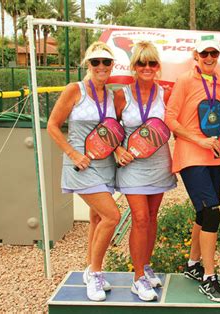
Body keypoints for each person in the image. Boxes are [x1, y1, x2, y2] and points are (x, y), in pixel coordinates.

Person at [47, 42, 121, 302]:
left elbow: (115, 130)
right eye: (96, 62)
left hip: (105, 165)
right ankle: (97, 272)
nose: (101, 67)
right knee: (112, 216)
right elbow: (53, 126)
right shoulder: (74, 90)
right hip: (81, 164)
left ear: (112, 66)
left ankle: (90, 268)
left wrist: (119, 149)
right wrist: (73, 153)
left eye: (106, 62)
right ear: (87, 65)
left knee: (98, 219)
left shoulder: (112, 95)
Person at [164, 35, 220, 303]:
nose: (209, 58)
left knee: (204, 213)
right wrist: (198, 140)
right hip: (191, 154)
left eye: (214, 53)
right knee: (212, 213)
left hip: (216, 156)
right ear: (196, 55)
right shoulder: (184, 80)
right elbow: (170, 117)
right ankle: (209, 278)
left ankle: (193, 265)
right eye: (205, 54)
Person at [114, 41, 177, 301]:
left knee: (151, 217)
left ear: (158, 67)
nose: (147, 67)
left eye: (152, 63)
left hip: (159, 164)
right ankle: (137, 277)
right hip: (132, 166)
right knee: (139, 218)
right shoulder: (121, 95)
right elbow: (109, 126)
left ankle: (146, 265)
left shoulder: (165, 94)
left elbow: (176, 123)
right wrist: (118, 149)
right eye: (141, 63)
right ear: (134, 66)